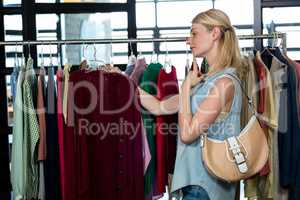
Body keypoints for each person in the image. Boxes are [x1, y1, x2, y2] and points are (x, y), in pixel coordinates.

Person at [138, 8, 243, 200]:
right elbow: (158, 107)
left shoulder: (224, 83)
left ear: (215, 33)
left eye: (194, 33)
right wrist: (124, 83)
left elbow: (187, 134)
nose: (188, 40)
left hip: (206, 188)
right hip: (196, 185)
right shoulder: (206, 82)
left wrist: (186, 85)